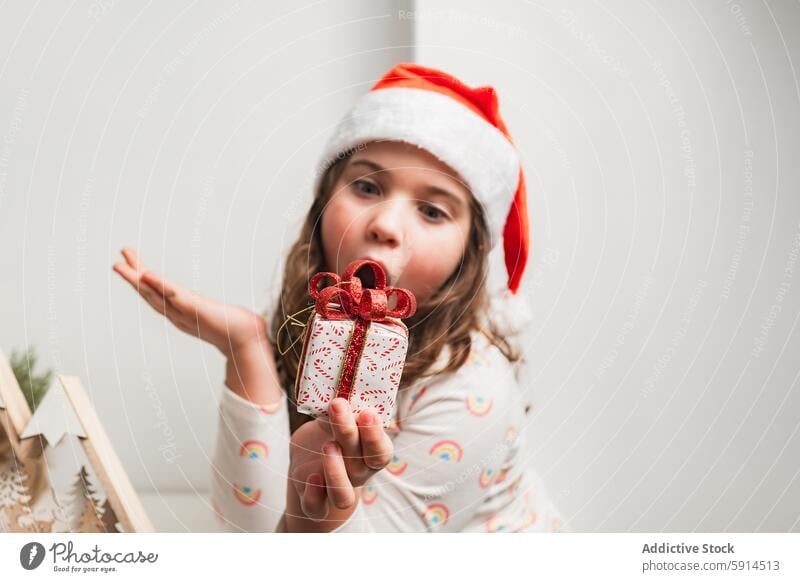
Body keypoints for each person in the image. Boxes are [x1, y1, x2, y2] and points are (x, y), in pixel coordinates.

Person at [113, 62, 565, 533]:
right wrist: (246, 349)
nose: (386, 225)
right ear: (323, 203)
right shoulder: (308, 323)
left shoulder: (473, 392)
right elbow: (248, 538)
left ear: (469, 256)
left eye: (432, 211)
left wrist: (323, 522)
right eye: (367, 187)